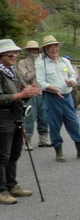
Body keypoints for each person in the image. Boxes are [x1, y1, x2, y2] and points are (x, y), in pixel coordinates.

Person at [34, 35, 80, 162]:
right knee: (54, 124)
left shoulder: (64, 61)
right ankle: (59, 151)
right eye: (50, 47)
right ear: (45, 49)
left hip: (67, 96)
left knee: (73, 122)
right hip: (52, 97)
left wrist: (72, 81)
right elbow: (40, 82)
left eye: (55, 46)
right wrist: (52, 88)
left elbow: (73, 75)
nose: (53, 49)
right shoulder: (41, 63)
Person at [0, 39, 42, 204]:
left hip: (16, 115)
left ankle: (12, 185)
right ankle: (1, 190)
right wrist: (21, 95)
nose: (14, 55)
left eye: (16, 52)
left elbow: (22, 88)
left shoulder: (13, 71)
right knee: (3, 155)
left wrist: (30, 91)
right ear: (1, 54)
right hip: (3, 117)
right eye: (10, 52)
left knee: (15, 153)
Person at [17, 40, 51, 150]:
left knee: (44, 117)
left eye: (36, 49)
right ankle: (27, 140)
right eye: (31, 49)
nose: (34, 51)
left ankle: (44, 138)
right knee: (29, 118)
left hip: (43, 92)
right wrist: (36, 68)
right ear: (28, 51)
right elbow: (26, 77)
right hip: (30, 93)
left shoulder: (43, 62)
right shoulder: (22, 63)